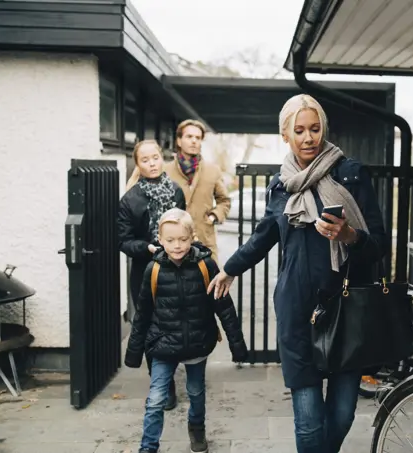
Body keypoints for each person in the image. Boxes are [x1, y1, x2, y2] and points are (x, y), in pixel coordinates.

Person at [207, 94, 387, 453]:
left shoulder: (350, 175)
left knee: (342, 414)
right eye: (299, 130)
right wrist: (230, 270)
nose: (309, 138)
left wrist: (349, 235)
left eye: (315, 128)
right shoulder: (281, 186)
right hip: (297, 311)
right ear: (285, 135)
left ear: (324, 128)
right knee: (307, 422)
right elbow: (262, 238)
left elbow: (380, 244)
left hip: (346, 309)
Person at [124, 208, 248, 453]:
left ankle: (196, 428)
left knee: (196, 392)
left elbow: (223, 306)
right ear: (160, 240)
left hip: (197, 341)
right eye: (170, 240)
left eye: (182, 239)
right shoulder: (153, 270)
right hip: (162, 344)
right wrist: (134, 352)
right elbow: (143, 314)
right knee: (156, 400)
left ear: (192, 237)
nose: (177, 245)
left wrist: (237, 344)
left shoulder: (206, 266)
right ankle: (148, 447)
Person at [119, 139, 186, 410]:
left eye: (155, 157)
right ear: (138, 164)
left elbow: (185, 225)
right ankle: (163, 385)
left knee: (177, 323)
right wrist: (146, 247)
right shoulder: (130, 199)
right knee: (151, 328)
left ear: (162, 158)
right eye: (145, 160)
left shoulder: (176, 191)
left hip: (179, 269)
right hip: (147, 272)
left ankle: (177, 373)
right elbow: (123, 240)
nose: (152, 163)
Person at [127, 119, 231, 260]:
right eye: (189, 137)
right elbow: (138, 195)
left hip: (204, 242)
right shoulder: (163, 169)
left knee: (208, 281)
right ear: (179, 141)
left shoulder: (213, 170)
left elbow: (224, 200)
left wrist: (213, 217)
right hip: (172, 247)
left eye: (198, 138)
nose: (194, 141)